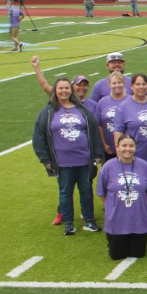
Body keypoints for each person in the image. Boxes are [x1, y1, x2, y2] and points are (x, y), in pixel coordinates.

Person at [33, 77, 104, 235]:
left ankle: (89, 221)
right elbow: (38, 137)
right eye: (61, 88)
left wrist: (97, 155)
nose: (64, 91)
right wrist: (45, 160)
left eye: (66, 88)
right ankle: (69, 223)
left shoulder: (82, 109)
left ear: (71, 90)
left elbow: (93, 132)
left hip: (84, 160)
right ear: (55, 91)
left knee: (86, 191)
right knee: (65, 192)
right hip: (62, 162)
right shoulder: (48, 111)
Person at [113, 73, 147, 230]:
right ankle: (132, 217)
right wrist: (119, 152)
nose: (141, 87)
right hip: (133, 155)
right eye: (138, 84)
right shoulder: (124, 106)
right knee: (135, 186)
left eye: (144, 84)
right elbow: (118, 131)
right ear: (132, 86)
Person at [97, 135, 147, 260]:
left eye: (131, 146)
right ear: (117, 147)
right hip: (116, 220)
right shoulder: (108, 167)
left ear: (136, 147)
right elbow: (102, 193)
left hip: (138, 220)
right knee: (117, 255)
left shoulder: (146, 167)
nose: (127, 149)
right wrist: (110, 207)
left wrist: (142, 205)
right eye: (124, 146)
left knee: (137, 254)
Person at [94, 72, 129, 163]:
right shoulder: (102, 102)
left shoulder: (130, 100)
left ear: (124, 83)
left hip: (128, 148)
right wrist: (104, 143)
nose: (117, 85)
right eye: (114, 83)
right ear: (109, 85)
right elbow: (99, 125)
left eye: (119, 82)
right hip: (109, 149)